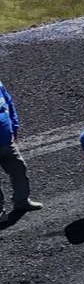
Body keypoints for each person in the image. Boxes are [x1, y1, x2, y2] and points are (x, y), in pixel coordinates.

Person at [0, 78, 43, 220]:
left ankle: (22, 201)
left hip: (6, 141)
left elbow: (9, 104)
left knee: (19, 169)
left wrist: (15, 127)